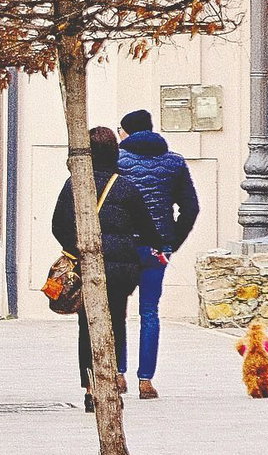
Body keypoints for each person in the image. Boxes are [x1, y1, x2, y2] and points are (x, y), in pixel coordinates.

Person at [52, 126, 158, 412]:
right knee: (115, 324)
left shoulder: (74, 185)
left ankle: (90, 389)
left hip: (86, 267)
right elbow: (148, 230)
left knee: (86, 328)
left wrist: (77, 248)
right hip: (120, 270)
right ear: (114, 152)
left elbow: (58, 225)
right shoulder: (126, 187)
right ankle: (109, 384)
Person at [118, 108, 200, 400]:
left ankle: (118, 373)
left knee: (117, 310)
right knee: (149, 311)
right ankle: (146, 380)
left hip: (123, 246)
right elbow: (191, 208)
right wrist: (172, 241)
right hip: (158, 248)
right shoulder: (174, 162)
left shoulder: (117, 160)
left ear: (126, 132)